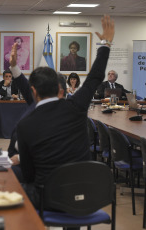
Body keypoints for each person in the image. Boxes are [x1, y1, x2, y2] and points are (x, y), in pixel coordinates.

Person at [16, 15, 114, 210]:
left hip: (49, 198)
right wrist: (105, 44)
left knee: (14, 182)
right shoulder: (76, 106)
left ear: (33, 91)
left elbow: (28, 175)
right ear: (60, 89)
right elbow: (95, 77)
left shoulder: (25, 124)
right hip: (88, 195)